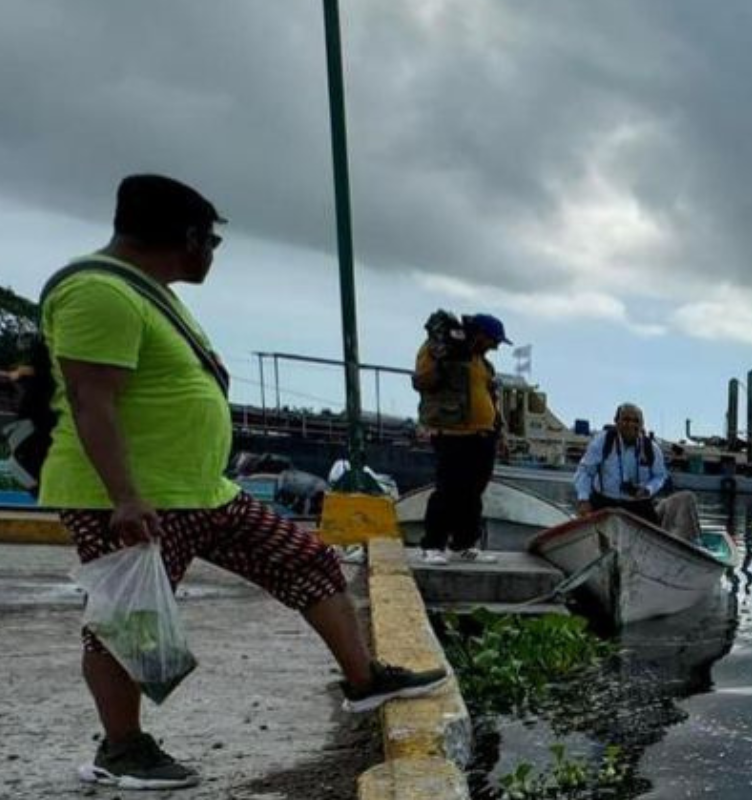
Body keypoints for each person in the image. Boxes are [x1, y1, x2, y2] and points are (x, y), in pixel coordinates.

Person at [40, 174, 447, 791]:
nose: (212, 256)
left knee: (307, 561)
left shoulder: (149, 294)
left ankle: (365, 680)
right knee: (131, 620)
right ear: (189, 238)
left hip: (203, 489)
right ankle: (120, 748)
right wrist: (125, 495)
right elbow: (92, 400)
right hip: (133, 496)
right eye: (212, 242)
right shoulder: (99, 294)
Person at [412, 311, 509, 565]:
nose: (496, 347)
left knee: (473, 494)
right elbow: (422, 380)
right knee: (448, 491)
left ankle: (464, 544)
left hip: (482, 436)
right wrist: (443, 358)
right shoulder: (440, 348)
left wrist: (498, 432)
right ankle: (433, 544)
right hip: (453, 434)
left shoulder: (482, 362)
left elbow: (491, 398)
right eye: (494, 341)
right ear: (481, 334)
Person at [573, 403, 668, 525]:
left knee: (656, 533)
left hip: (638, 504)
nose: (631, 424)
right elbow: (585, 471)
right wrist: (583, 499)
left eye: (636, 421)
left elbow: (660, 476)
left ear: (642, 424)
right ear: (616, 421)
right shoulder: (603, 441)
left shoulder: (651, 448)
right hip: (604, 502)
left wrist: (648, 490)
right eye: (626, 419)